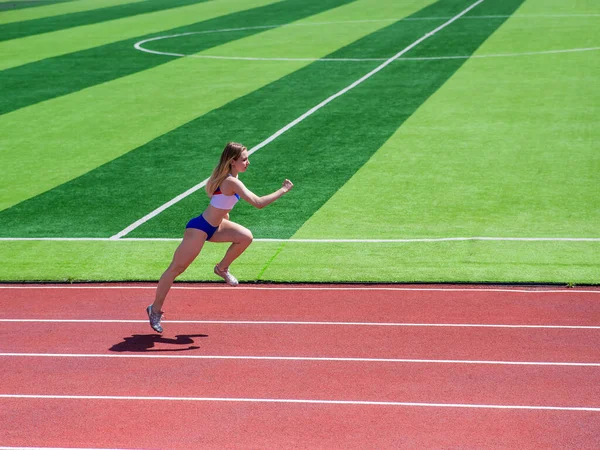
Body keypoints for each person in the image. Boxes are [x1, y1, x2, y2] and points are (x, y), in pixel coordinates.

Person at [146, 142, 293, 333]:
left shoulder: (231, 177)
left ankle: (221, 268)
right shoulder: (232, 181)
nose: (248, 162)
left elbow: (220, 202)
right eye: (244, 159)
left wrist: (224, 215)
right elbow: (258, 203)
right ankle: (155, 309)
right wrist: (284, 190)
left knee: (245, 237)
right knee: (176, 269)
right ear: (232, 161)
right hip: (199, 229)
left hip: (215, 226)